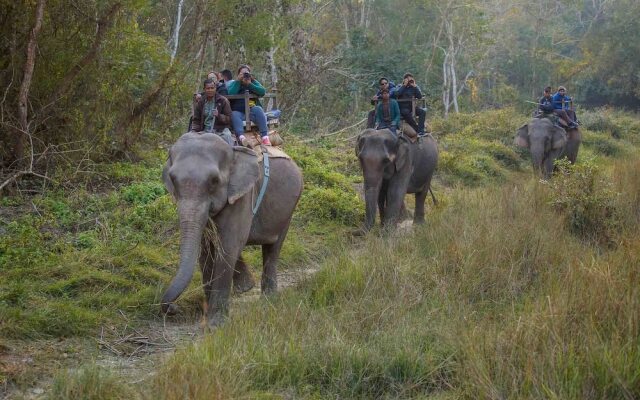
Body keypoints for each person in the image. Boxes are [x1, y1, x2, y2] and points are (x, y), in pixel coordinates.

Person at [226, 64, 271, 146]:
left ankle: (265, 136)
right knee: (234, 114)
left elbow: (262, 92)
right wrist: (238, 82)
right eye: (242, 73)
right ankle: (241, 137)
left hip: (252, 112)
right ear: (238, 75)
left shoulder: (253, 82)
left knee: (258, 109)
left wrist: (250, 84)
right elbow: (230, 93)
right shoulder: (235, 83)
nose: (245, 75)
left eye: (247, 73)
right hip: (239, 113)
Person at [191, 78, 234, 145]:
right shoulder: (201, 102)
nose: (210, 90)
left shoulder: (223, 100)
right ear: (204, 89)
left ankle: (232, 153)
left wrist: (219, 116)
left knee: (227, 137)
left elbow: (229, 118)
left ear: (215, 88)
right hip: (205, 131)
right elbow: (196, 119)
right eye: (208, 88)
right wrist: (193, 131)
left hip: (220, 130)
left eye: (212, 88)